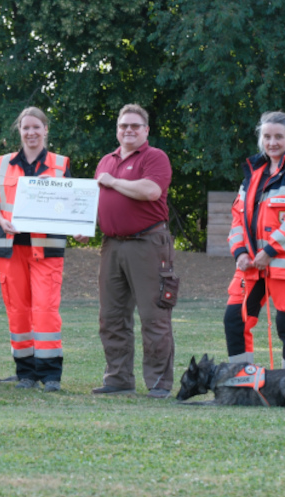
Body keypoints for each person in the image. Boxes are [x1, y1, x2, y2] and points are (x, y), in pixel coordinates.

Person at [89, 103, 175, 398]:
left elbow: (151, 191)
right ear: (117, 130)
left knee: (154, 316)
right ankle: (118, 378)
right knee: (111, 317)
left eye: (135, 126)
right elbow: (95, 200)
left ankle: (159, 383)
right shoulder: (106, 161)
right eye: (123, 125)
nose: (128, 130)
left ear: (146, 130)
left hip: (148, 245)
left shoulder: (154, 157)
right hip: (112, 245)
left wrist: (113, 182)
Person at [0, 106, 71, 392]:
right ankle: (26, 373)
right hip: (11, 247)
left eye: (37, 127)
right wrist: (1, 221)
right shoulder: (4, 163)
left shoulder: (60, 164)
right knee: (18, 311)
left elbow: (72, 207)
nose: (31, 132)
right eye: (26, 128)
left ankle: (50, 376)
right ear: (19, 131)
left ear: (46, 130)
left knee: (45, 310)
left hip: (47, 248)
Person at [224, 111, 285, 369]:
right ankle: (240, 381)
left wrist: (270, 249)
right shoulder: (253, 174)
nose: (272, 142)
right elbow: (237, 217)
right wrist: (240, 253)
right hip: (250, 266)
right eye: (267, 137)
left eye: (278, 137)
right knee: (235, 318)